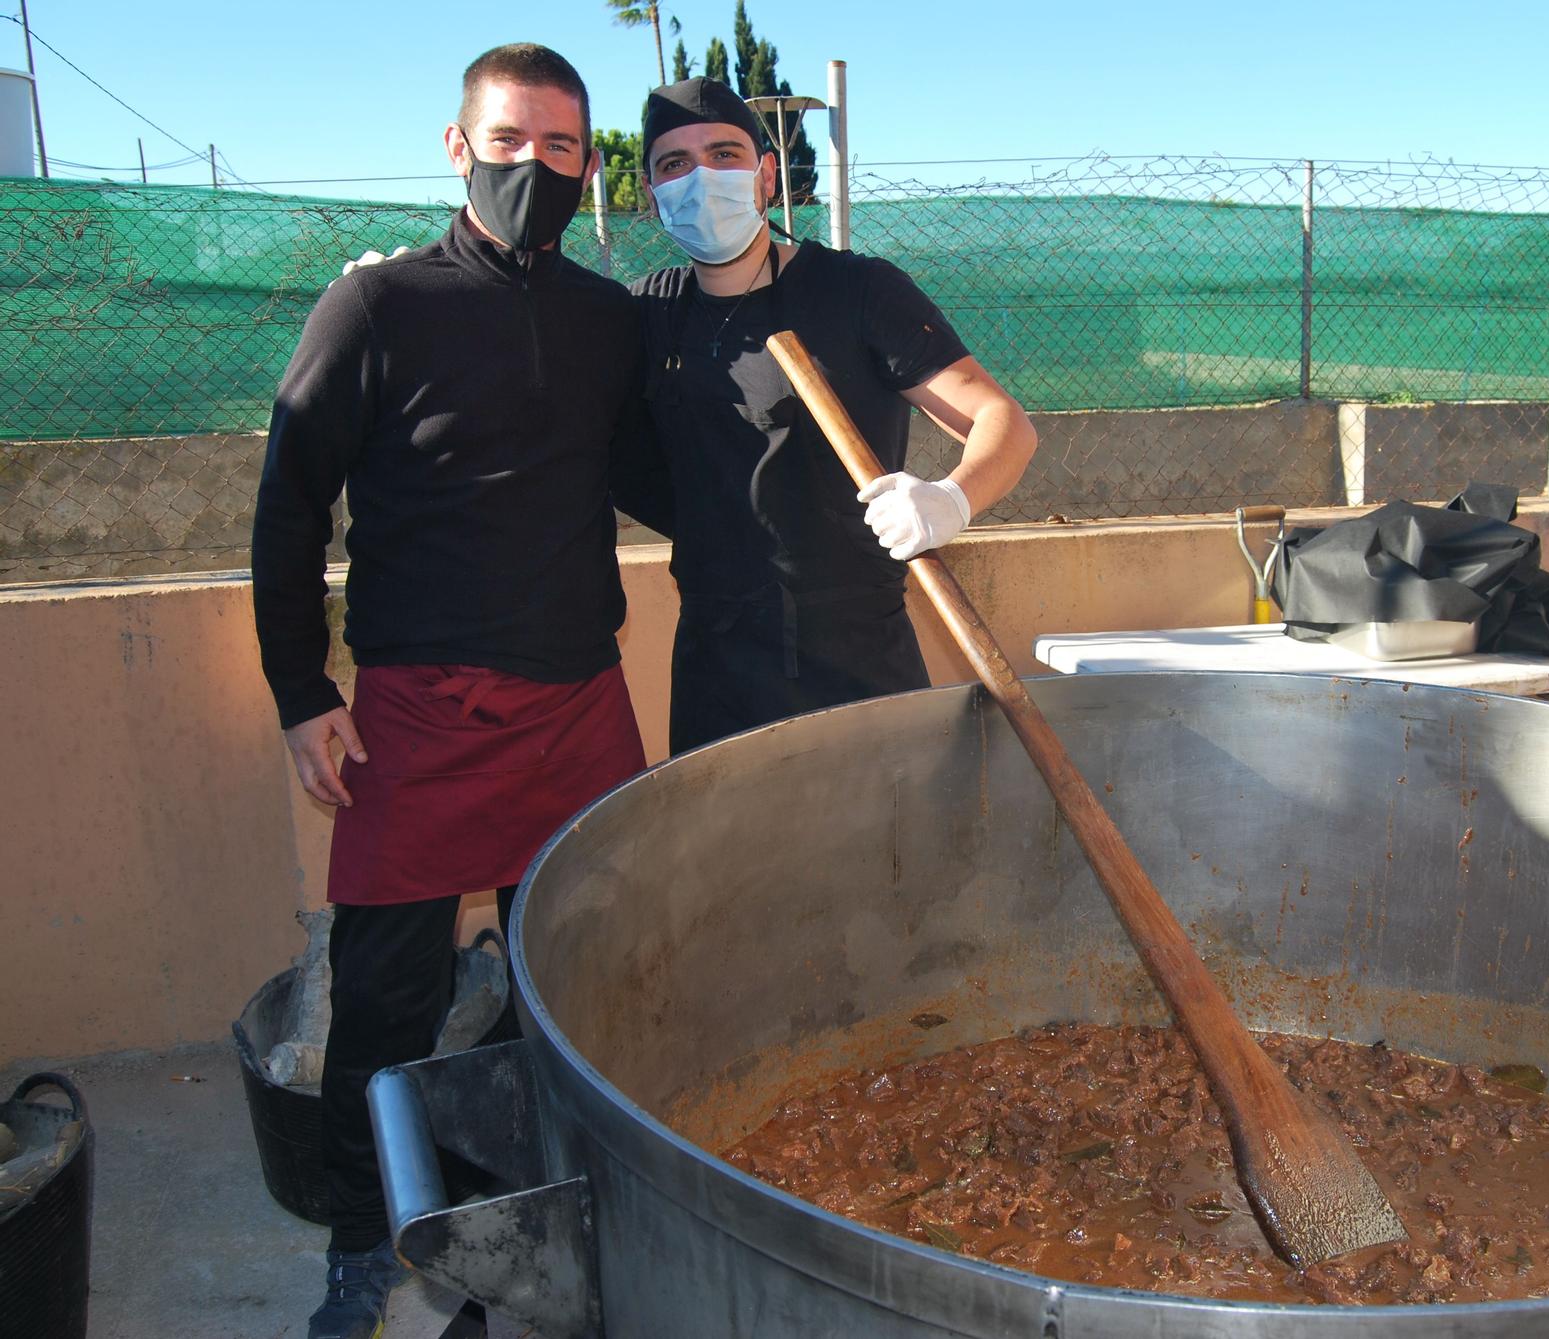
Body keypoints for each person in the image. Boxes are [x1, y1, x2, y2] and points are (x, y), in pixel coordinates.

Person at [250, 44, 667, 1339]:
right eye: (509, 141)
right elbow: (289, 499)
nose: (531, 169)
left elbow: (664, 477)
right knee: (386, 1002)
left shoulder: (608, 320)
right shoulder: (375, 307)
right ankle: (361, 1242)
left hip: (578, 705)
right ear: (455, 146)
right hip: (418, 719)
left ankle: (549, 1236)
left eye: (559, 148)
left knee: (585, 982)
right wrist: (298, 687)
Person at [632, 77, 1038, 754]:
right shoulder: (644, 315)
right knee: (730, 861)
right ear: (651, 196)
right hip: (714, 671)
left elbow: (1002, 421)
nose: (700, 177)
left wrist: (951, 499)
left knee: (884, 855)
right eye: (674, 164)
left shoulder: (857, 291)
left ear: (766, 176)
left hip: (857, 663)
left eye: (724, 154)